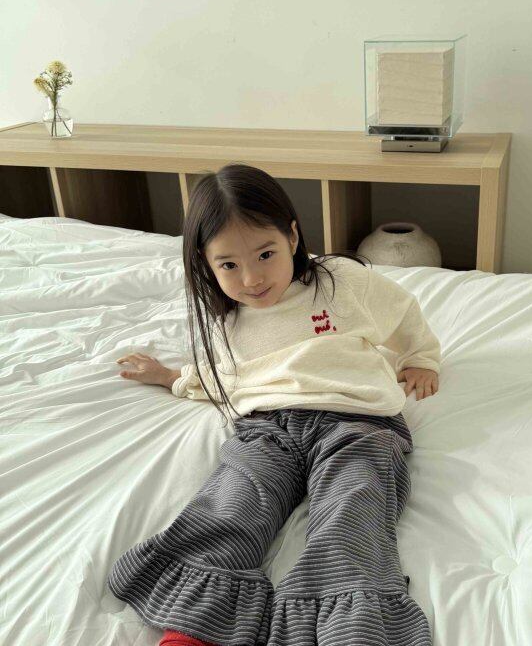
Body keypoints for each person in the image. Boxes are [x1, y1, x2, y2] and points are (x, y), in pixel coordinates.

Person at [107, 163, 441, 646]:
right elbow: (221, 377)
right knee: (231, 507)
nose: (252, 278)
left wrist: (420, 358)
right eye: (228, 265)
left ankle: (349, 630)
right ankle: (195, 628)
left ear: (292, 236)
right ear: (206, 263)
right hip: (267, 428)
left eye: (266, 254)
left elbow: (403, 313)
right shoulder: (225, 321)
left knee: (351, 512)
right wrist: (170, 377)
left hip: (357, 421)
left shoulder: (340, 282)